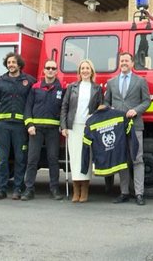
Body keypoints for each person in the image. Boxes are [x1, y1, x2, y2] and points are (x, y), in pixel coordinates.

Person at [104, 52, 151, 206]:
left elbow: (146, 101)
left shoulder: (140, 81)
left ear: (132, 63)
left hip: (135, 125)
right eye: (122, 60)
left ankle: (139, 194)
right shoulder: (111, 82)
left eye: (126, 60)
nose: (124, 63)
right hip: (118, 128)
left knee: (137, 159)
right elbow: (106, 102)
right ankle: (124, 192)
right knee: (122, 161)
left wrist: (136, 110)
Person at [0, 52, 36, 200]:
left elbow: (33, 101)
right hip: (3, 126)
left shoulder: (28, 81)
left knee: (20, 159)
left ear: (19, 65)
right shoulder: (0, 81)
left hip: (20, 127)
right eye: (9, 62)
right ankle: (1, 189)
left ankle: (17, 189)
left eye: (13, 62)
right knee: (2, 159)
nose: (11, 65)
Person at [60, 59, 103, 203]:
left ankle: (84, 190)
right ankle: (75, 191)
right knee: (75, 159)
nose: (85, 71)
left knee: (86, 158)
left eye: (87, 68)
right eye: (82, 68)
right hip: (73, 127)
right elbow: (64, 107)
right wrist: (64, 126)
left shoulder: (97, 89)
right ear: (79, 71)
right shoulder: (72, 87)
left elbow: (100, 108)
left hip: (88, 128)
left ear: (91, 71)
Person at [22, 59, 65, 201]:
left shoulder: (62, 88)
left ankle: (54, 189)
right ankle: (29, 189)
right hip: (36, 129)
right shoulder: (35, 87)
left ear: (57, 71)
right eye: (48, 68)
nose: (51, 70)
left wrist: (63, 126)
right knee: (32, 159)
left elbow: (65, 109)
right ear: (44, 70)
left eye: (53, 68)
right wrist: (29, 125)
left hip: (53, 130)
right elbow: (27, 107)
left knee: (53, 159)